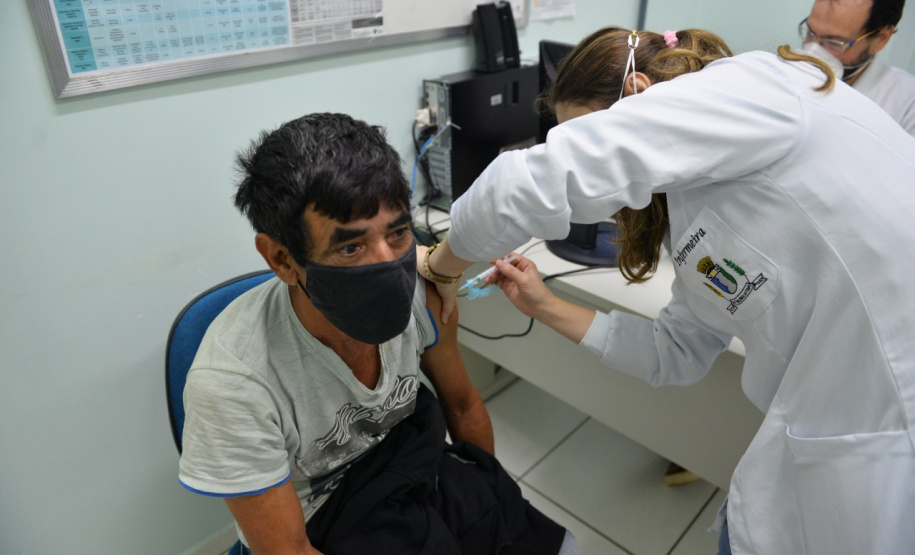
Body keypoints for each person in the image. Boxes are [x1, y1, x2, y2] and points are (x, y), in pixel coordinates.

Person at [419, 27, 915, 555]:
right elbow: (676, 352)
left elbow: (525, 184)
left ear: (638, 90)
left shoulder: (747, 90)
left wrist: (440, 264)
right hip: (829, 431)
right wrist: (544, 304)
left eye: (584, 134)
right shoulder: (702, 193)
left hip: (882, 429)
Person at [178, 113, 574, 555]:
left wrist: (490, 497)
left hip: (414, 469)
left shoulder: (423, 296)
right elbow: (289, 551)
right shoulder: (232, 383)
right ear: (282, 260)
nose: (388, 267)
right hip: (329, 519)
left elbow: (462, 404)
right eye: (351, 247)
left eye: (398, 233)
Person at [800, 0, 915, 134]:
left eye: (835, 43)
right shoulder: (784, 74)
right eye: (810, 32)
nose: (813, 51)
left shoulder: (907, 107)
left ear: (881, 38)